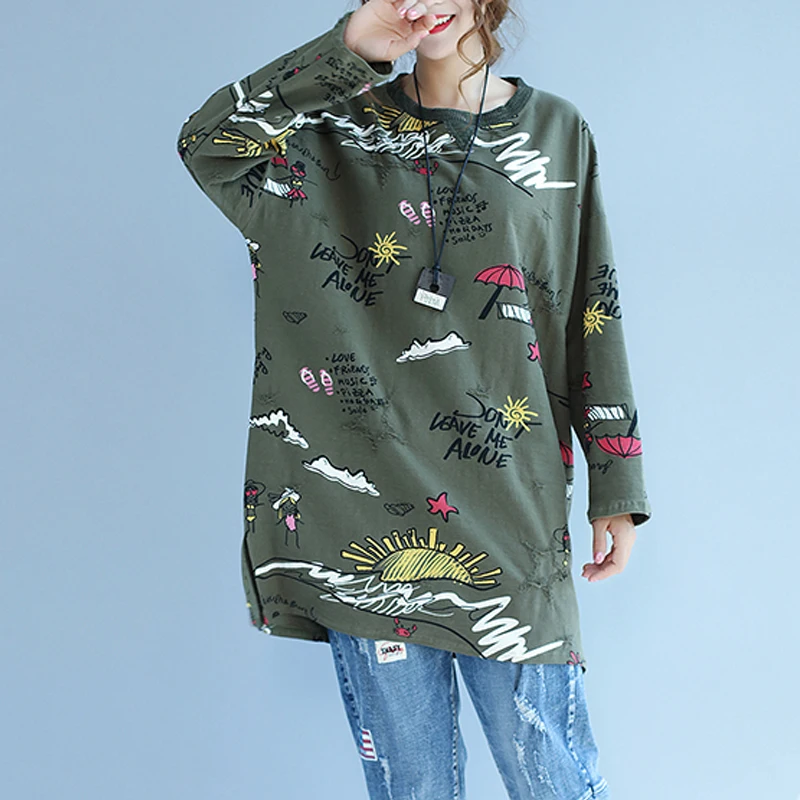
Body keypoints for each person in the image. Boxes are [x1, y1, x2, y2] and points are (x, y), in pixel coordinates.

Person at [177, 0, 652, 796]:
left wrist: (618, 481)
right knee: (414, 789)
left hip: (510, 513)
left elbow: (589, 310)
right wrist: (350, 48)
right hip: (361, 526)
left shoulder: (555, 133)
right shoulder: (325, 133)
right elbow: (208, 145)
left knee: (555, 781)